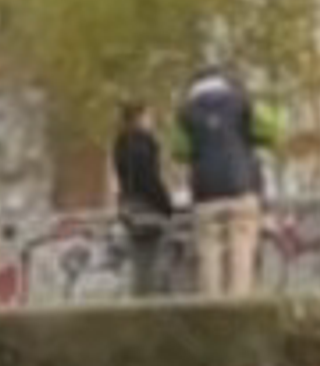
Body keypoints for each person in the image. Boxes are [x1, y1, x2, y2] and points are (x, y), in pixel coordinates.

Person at [179, 52, 272, 292]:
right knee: (241, 251)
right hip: (241, 187)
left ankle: (212, 308)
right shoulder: (242, 101)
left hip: (205, 192)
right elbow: (270, 131)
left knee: (208, 252)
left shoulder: (185, 112)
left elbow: (179, 151)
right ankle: (237, 307)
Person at [109, 99, 179, 299]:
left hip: (130, 207)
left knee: (140, 260)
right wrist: (166, 205)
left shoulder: (120, 143)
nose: (152, 121)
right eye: (149, 116)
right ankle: (152, 300)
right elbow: (149, 178)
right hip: (149, 208)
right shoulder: (143, 143)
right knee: (156, 259)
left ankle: (140, 298)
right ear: (139, 118)